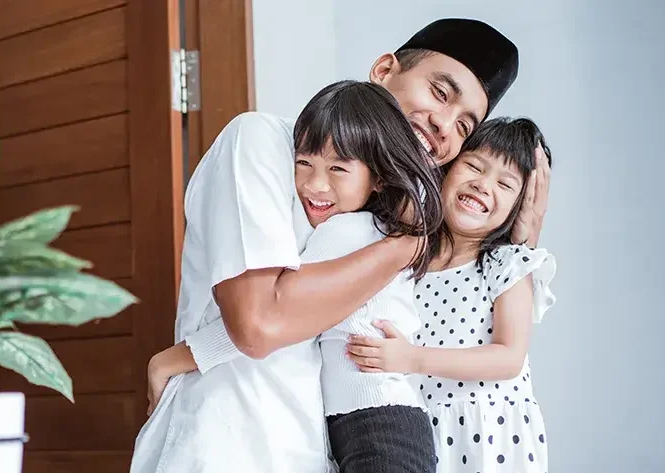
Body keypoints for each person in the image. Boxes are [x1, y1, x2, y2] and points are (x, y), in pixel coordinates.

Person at [134, 18, 539, 473]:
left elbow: (479, 304)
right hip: (225, 440)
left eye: (464, 126)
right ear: (384, 70)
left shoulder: (385, 211)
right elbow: (259, 322)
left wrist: (522, 236)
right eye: (440, 93)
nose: (444, 125)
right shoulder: (262, 141)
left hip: (329, 448)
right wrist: (407, 243)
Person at [141, 80, 443, 473]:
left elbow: (270, 318)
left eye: (338, 168)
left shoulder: (348, 233)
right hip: (385, 415)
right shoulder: (385, 229)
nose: (315, 185)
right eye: (303, 163)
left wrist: (173, 359)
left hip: (376, 422)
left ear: (379, 177)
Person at [346, 117, 557, 472]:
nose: (483, 185)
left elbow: (509, 358)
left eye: (505, 184)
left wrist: (412, 358)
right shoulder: (410, 262)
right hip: (428, 432)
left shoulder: (507, 263)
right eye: (474, 166)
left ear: (518, 206)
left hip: (490, 439)